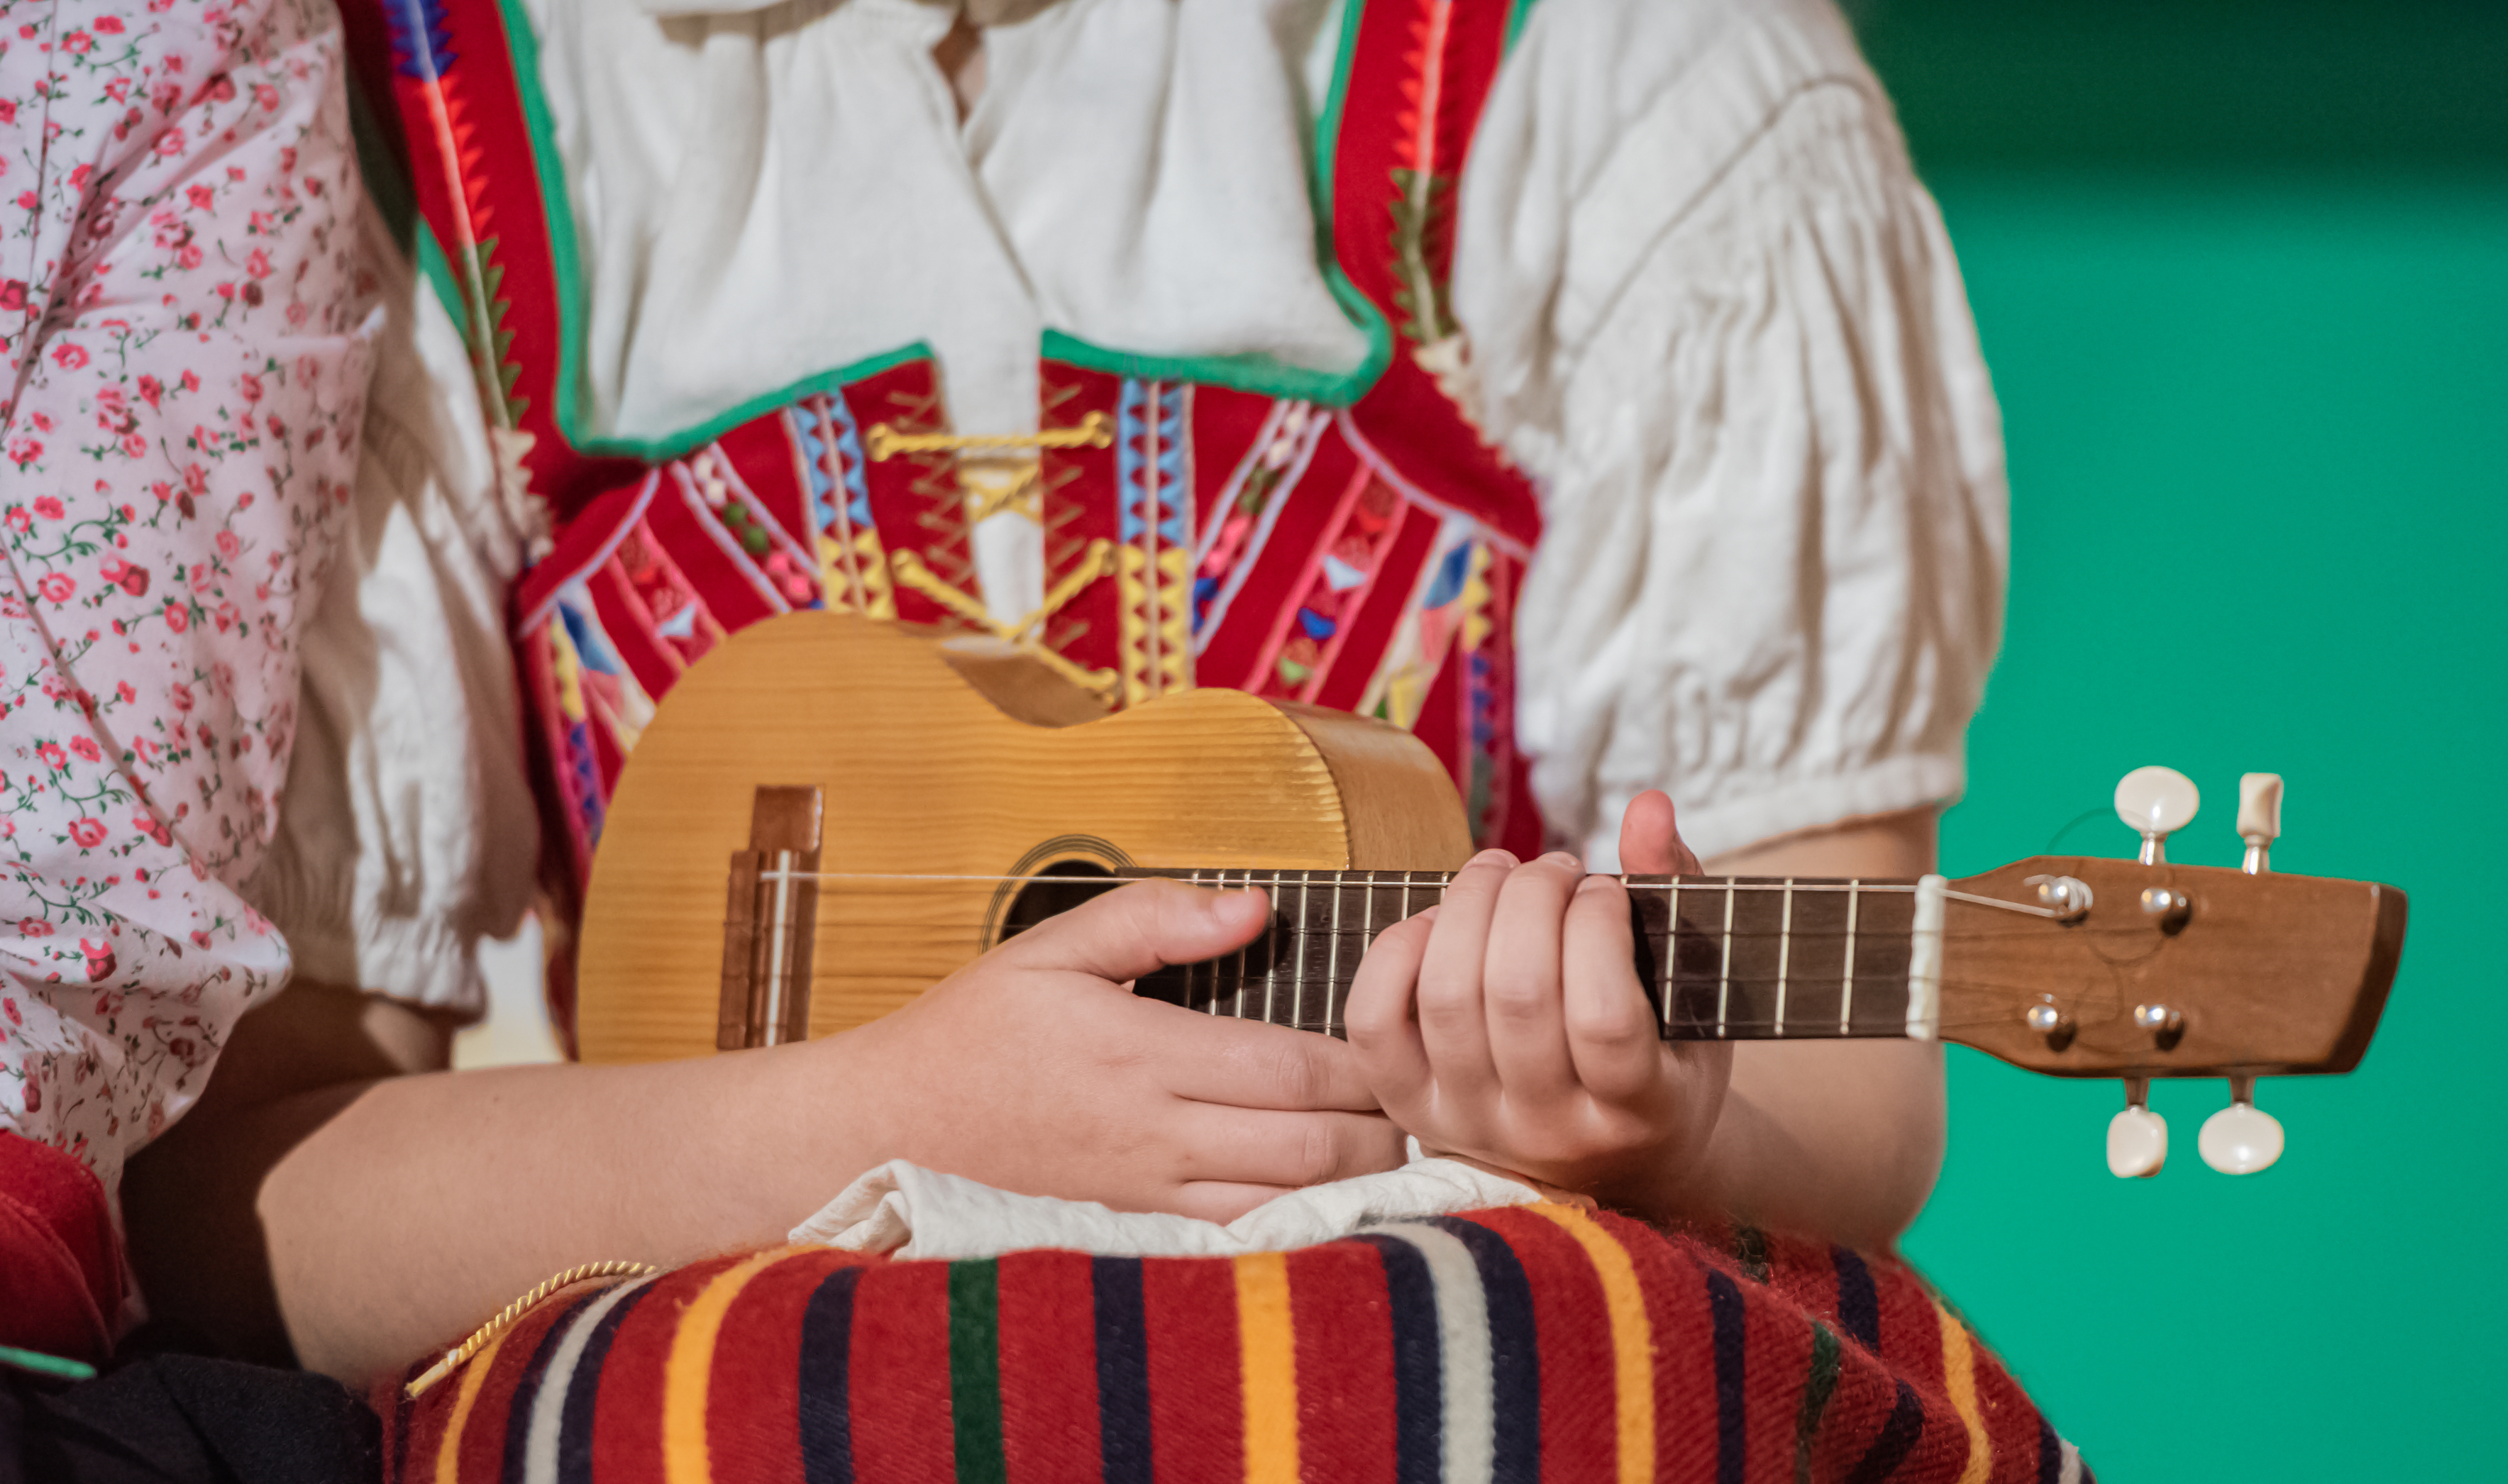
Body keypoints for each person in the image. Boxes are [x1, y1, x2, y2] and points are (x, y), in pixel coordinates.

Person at [107, 0, 2010, 1389]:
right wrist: (862, 1124)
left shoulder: (1614, 66)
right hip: (745, 1430)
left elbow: (1850, 1095)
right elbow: (230, 1211)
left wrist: (1648, 1126)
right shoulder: (406, 125)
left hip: (1427, 1390)